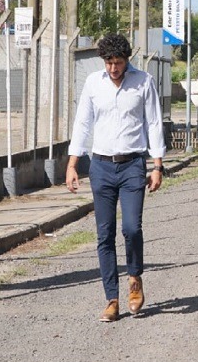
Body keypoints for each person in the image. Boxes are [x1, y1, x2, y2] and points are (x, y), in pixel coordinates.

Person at [66, 33, 166, 322]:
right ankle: (112, 299)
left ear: (127, 60)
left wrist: (157, 166)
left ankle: (134, 278)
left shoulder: (143, 82)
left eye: (118, 62)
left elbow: (154, 122)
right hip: (101, 166)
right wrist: (73, 164)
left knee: (132, 228)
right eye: (108, 63)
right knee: (104, 234)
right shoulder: (93, 83)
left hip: (133, 164)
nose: (113, 68)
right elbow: (82, 122)